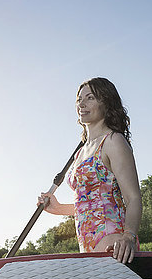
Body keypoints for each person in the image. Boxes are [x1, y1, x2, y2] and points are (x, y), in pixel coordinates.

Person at [38, 77, 141, 264]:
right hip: (86, 246)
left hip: (113, 243)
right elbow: (90, 205)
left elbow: (133, 198)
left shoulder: (113, 141)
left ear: (106, 103)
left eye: (90, 98)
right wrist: (59, 208)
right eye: (79, 99)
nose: (82, 104)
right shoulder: (79, 153)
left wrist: (128, 237)